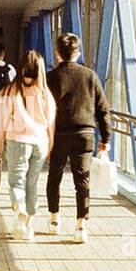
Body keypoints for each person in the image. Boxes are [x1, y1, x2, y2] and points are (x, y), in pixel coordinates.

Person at [44, 32, 110, 243]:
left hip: (58, 135)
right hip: (84, 135)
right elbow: (103, 109)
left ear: (57, 54)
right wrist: (106, 138)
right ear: (77, 52)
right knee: (82, 180)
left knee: (54, 177)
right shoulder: (90, 76)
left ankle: (54, 220)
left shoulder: (50, 77)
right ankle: (81, 225)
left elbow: (43, 110)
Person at [0, 49, 56, 241]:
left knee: (17, 182)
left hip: (18, 142)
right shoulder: (45, 93)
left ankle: (20, 212)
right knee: (32, 184)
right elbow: (50, 122)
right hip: (40, 143)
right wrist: (51, 146)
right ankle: (28, 227)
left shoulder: (9, 91)